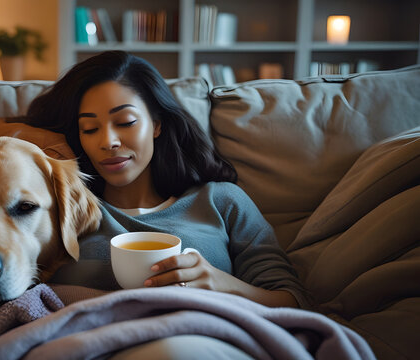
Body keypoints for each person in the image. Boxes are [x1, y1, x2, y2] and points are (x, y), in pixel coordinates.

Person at [26, 50, 308, 309]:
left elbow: (291, 300)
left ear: (157, 125)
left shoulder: (220, 200)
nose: (108, 141)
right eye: (89, 129)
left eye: (125, 122)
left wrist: (223, 284)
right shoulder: (61, 210)